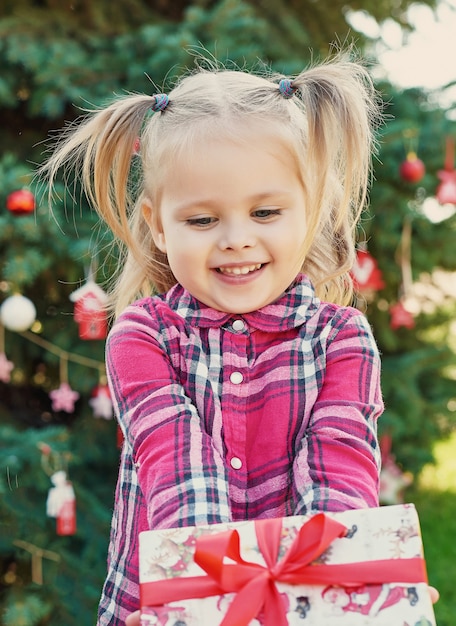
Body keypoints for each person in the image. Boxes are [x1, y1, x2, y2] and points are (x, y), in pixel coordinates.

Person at [42, 51, 386, 625]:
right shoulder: (144, 335)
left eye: (266, 211)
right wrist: (216, 603)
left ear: (312, 209)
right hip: (180, 603)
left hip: (306, 606)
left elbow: (339, 473)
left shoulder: (342, 339)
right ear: (157, 222)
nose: (235, 240)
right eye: (202, 220)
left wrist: (342, 590)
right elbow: (178, 470)